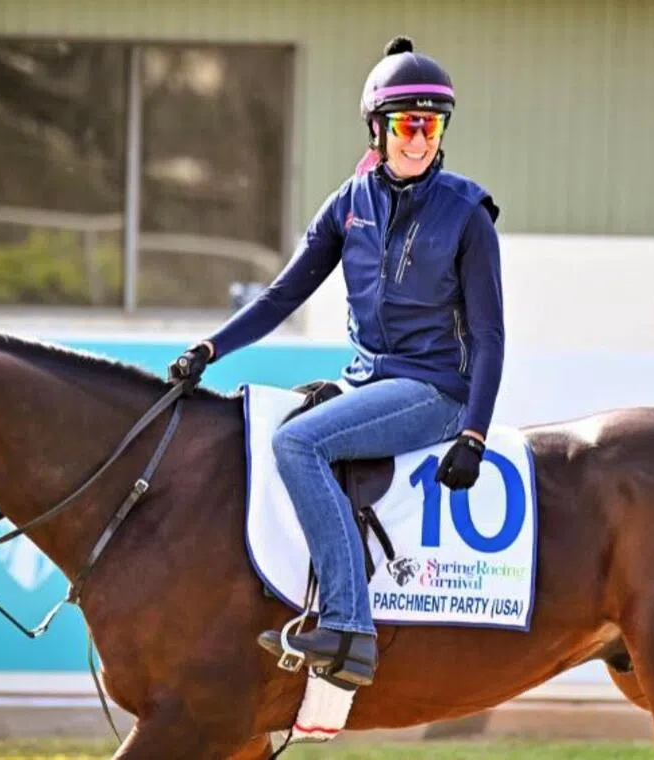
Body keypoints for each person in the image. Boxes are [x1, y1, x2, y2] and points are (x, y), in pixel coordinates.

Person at [169, 35, 504, 689]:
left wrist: (474, 432)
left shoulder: (468, 214)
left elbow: (490, 337)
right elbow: (282, 293)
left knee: (298, 445)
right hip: (366, 378)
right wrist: (211, 347)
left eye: (430, 126)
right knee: (269, 427)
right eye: (406, 125)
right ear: (377, 129)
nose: (419, 140)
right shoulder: (348, 205)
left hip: (434, 390)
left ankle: (350, 627)